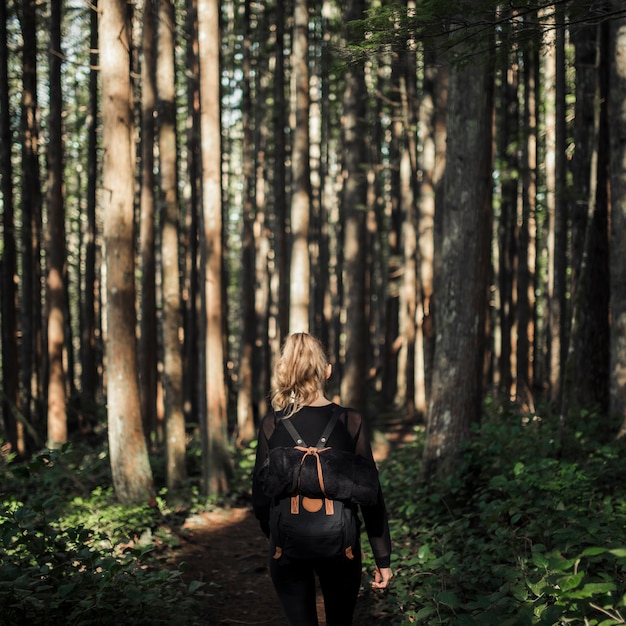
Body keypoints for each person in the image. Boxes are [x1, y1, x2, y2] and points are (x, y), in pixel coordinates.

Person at [252, 332, 393, 626]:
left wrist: (278, 538)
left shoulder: (272, 424)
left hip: (286, 547)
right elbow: (371, 495)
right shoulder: (350, 421)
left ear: (285, 371)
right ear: (327, 371)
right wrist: (383, 559)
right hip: (343, 549)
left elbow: (261, 501)